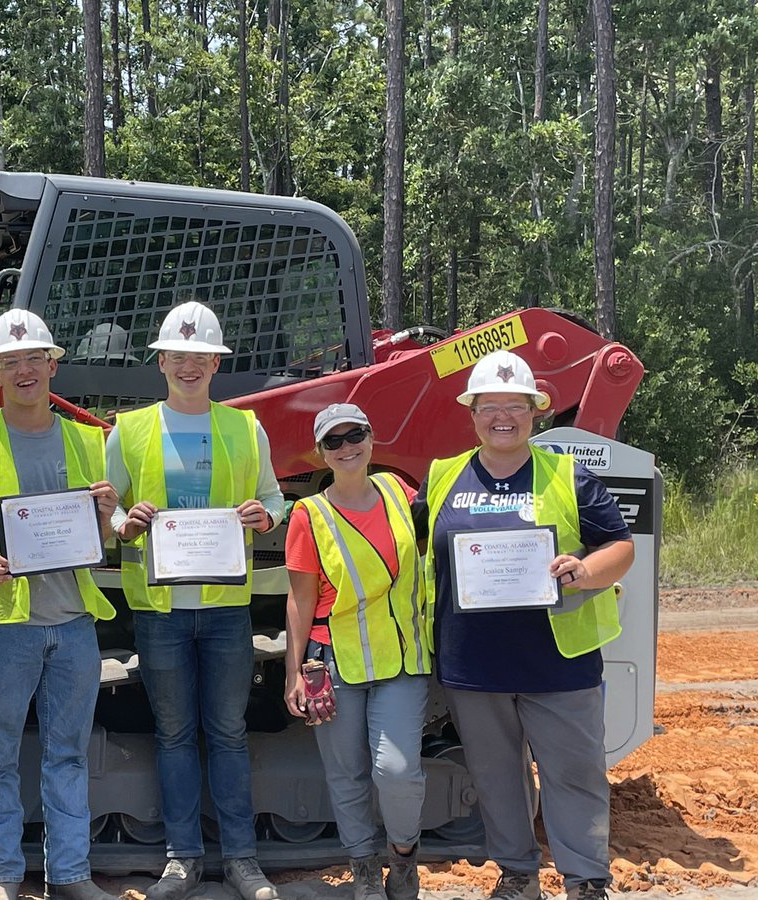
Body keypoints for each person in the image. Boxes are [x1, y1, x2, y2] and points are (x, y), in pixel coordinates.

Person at [413, 350, 634, 900]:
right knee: (496, 780)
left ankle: (585, 881)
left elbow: (621, 547)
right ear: (473, 413)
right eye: (490, 406)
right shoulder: (443, 478)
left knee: (574, 776)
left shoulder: (566, 474)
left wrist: (584, 571)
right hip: (473, 663)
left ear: (535, 412)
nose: (502, 417)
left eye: (516, 406)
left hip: (558, 663)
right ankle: (516, 875)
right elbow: (411, 546)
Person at [106, 301, 285, 900]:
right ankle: (183, 858)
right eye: (177, 357)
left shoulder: (244, 427)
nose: (188, 366)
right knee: (175, 734)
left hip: (225, 608)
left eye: (199, 357)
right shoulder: (128, 431)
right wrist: (123, 522)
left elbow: (273, 501)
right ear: (162, 363)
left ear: (215, 362)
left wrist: (264, 515)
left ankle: (241, 859)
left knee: (228, 732)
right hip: (159, 611)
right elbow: (106, 508)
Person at [0, 308, 119, 900]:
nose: (24, 371)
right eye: (10, 362)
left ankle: (69, 875)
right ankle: (2, 876)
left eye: (34, 359)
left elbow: (112, 531)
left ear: (52, 365)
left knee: (67, 755)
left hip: (73, 621)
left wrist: (110, 514)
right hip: (4, 625)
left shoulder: (86, 439)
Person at [283, 403, 430, 900]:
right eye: (335, 441)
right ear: (321, 453)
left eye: (356, 435)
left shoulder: (398, 490)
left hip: (402, 659)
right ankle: (364, 868)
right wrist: (293, 674)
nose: (347, 447)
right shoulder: (309, 515)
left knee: (397, 770)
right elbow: (300, 598)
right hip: (336, 662)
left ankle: (403, 857)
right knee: (345, 773)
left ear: (372, 438)